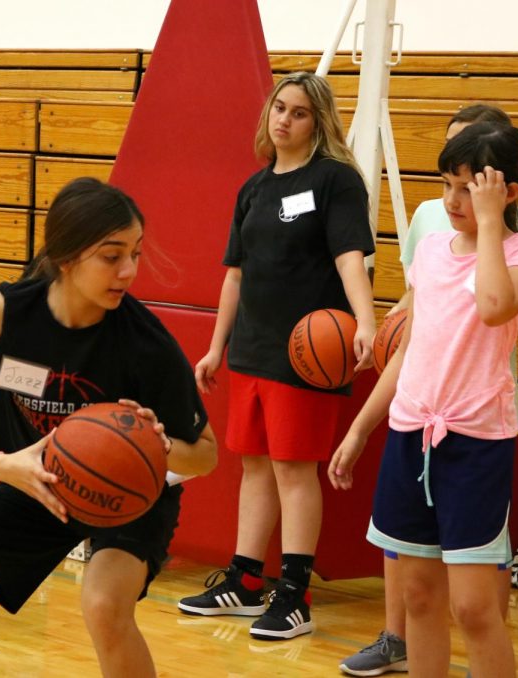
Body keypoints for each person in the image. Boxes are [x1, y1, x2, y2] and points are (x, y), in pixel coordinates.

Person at [0, 177, 218, 677]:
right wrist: (7, 466)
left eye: (135, 254)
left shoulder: (145, 342)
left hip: (125, 497)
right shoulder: (5, 312)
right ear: (66, 255)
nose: (128, 270)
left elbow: (207, 454)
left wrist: (159, 444)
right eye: (111, 255)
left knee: (105, 609)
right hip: (33, 481)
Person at [339, 104, 518, 677]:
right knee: (418, 598)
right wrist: (363, 427)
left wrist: (490, 224)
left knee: (474, 607)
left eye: (468, 189)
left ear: (507, 192)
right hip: (410, 434)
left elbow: (493, 308)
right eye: (447, 185)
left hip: (475, 445)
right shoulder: (433, 252)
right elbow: (411, 346)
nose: (453, 201)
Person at [177, 71, 375, 640]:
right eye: (278, 108)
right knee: (256, 466)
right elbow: (234, 275)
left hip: (307, 353)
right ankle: (244, 581)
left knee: (293, 467)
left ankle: (294, 594)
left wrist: (364, 320)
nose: (283, 119)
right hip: (253, 350)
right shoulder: (254, 188)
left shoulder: (336, 181)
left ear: (319, 123)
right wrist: (217, 347)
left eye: (299, 112)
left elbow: (349, 258)